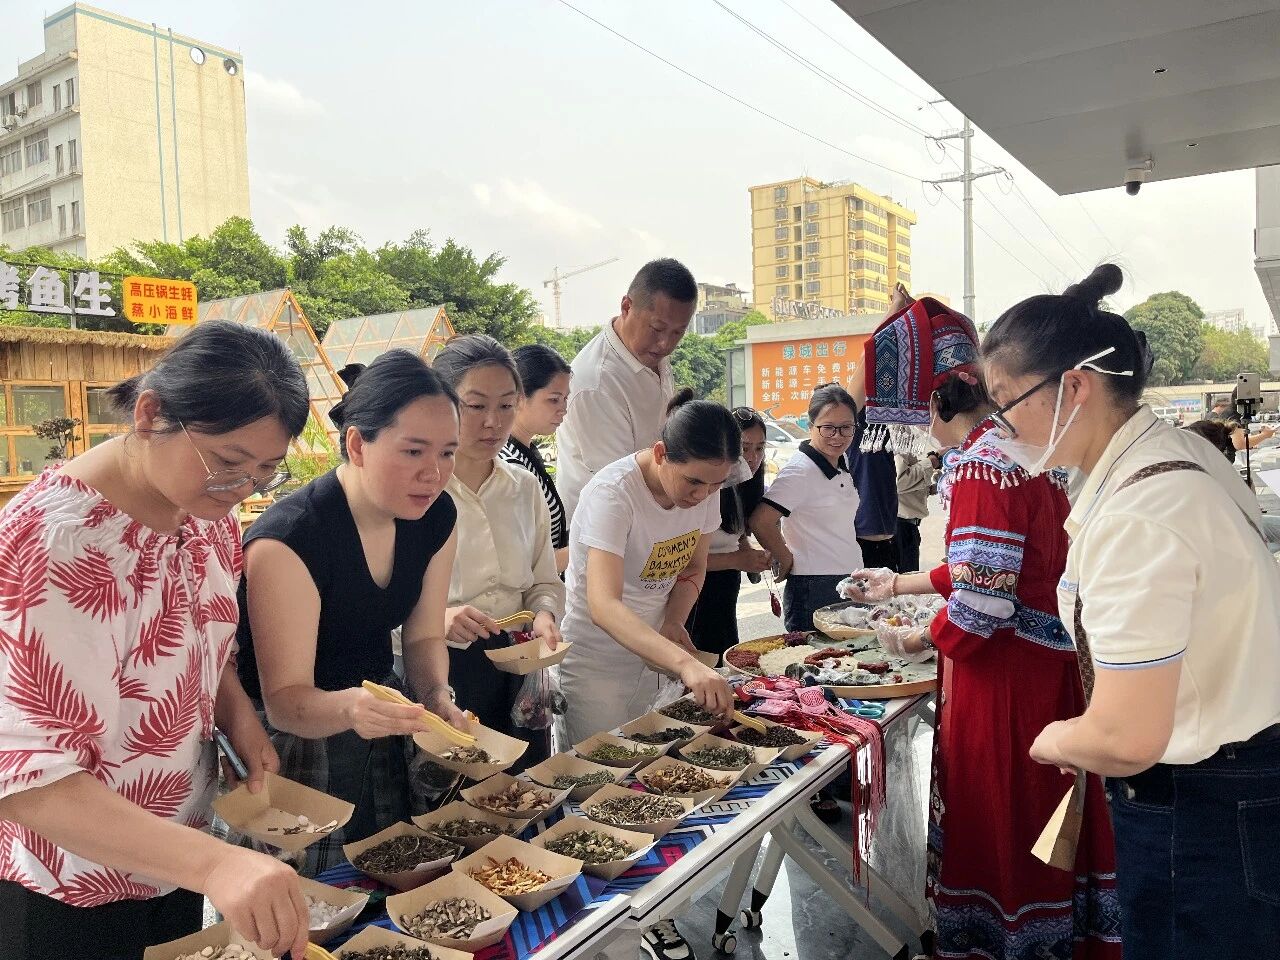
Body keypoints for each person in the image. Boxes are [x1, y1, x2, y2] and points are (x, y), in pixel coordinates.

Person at [981, 264, 1280, 959]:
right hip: (1241, 786)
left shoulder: (1140, 514)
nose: (999, 426)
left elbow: (1127, 737)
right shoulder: (1181, 458)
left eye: (1006, 402)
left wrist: (1054, 737)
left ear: (1074, 388)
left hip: (1200, 809)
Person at [0, 321, 313, 960]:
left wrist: (236, 715)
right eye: (228, 462)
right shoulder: (51, 548)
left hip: (174, 856)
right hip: (67, 883)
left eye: (265, 471)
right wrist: (216, 867)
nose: (242, 488)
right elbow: (25, 776)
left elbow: (196, 635)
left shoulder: (202, 516)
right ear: (150, 415)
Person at [846, 296, 1120, 960]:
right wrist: (905, 583)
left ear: (939, 402)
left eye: (916, 420)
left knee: (1004, 826)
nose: (920, 437)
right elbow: (995, 570)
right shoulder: (1024, 450)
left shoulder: (976, 463)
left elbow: (981, 609)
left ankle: (1006, 946)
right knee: (1043, 823)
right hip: (1046, 672)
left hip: (1002, 690)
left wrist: (914, 638)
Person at [236, 350, 466, 876]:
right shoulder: (291, 539)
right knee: (308, 906)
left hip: (375, 712)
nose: (434, 474)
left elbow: (425, 636)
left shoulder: (435, 515)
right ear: (358, 443)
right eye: (413, 451)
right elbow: (285, 704)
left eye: (448, 453)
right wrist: (353, 710)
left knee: (390, 877)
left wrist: (435, 696)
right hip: (294, 738)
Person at [557, 394, 738, 960]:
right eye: (693, 484)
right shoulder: (613, 493)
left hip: (657, 651)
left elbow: (691, 567)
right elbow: (605, 605)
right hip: (597, 661)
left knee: (654, 791)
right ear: (660, 453)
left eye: (715, 486)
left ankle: (652, 912)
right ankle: (602, 933)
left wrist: (676, 627)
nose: (703, 496)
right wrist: (683, 662)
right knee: (599, 799)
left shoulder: (704, 489)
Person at [432, 335, 565, 771]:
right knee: (457, 804)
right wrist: (441, 619)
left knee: (524, 789)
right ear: (442, 404)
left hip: (519, 661)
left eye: (507, 405)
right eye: (476, 405)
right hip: (441, 668)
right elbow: (381, 606)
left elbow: (545, 580)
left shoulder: (524, 487)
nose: (493, 422)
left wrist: (544, 612)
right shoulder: (420, 492)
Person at [555, 258, 696, 523]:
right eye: (657, 328)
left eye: (678, 333)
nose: (665, 343)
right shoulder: (595, 382)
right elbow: (618, 482)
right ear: (626, 307)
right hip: (605, 530)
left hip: (650, 525)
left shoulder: (651, 355)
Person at [750, 384, 862, 633]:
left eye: (846, 427)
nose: (838, 435)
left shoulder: (839, 463)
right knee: (814, 663)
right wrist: (786, 558)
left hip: (845, 578)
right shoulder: (800, 471)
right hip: (813, 586)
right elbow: (761, 520)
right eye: (828, 428)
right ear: (811, 426)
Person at [685, 405, 771, 657]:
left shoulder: (743, 486)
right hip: (694, 591)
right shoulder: (704, 488)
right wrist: (737, 559)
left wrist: (750, 554)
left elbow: (736, 533)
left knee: (725, 656)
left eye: (759, 448)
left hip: (726, 585)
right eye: (744, 448)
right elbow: (684, 562)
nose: (753, 457)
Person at [503, 343, 572, 573]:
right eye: (554, 399)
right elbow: (525, 566)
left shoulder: (525, 451)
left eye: (565, 399)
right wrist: (586, 548)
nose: (563, 409)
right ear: (520, 398)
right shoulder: (510, 465)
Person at [894, 448, 938, 573]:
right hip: (899, 526)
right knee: (901, 584)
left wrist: (933, 488)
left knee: (907, 581)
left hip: (908, 527)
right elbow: (900, 482)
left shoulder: (908, 435)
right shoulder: (898, 433)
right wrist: (931, 462)